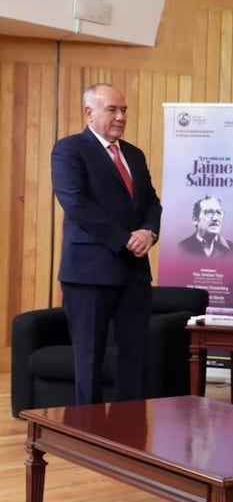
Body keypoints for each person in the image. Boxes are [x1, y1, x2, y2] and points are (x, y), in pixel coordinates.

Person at [50, 82, 162, 405]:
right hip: (89, 274)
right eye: (112, 109)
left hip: (134, 274)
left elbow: (152, 203)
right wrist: (126, 238)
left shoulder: (135, 155)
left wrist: (149, 232)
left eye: (123, 110)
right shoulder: (69, 149)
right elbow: (76, 203)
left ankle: (126, 440)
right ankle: (89, 438)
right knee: (89, 361)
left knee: (133, 360)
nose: (120, 116)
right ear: (89, 113)